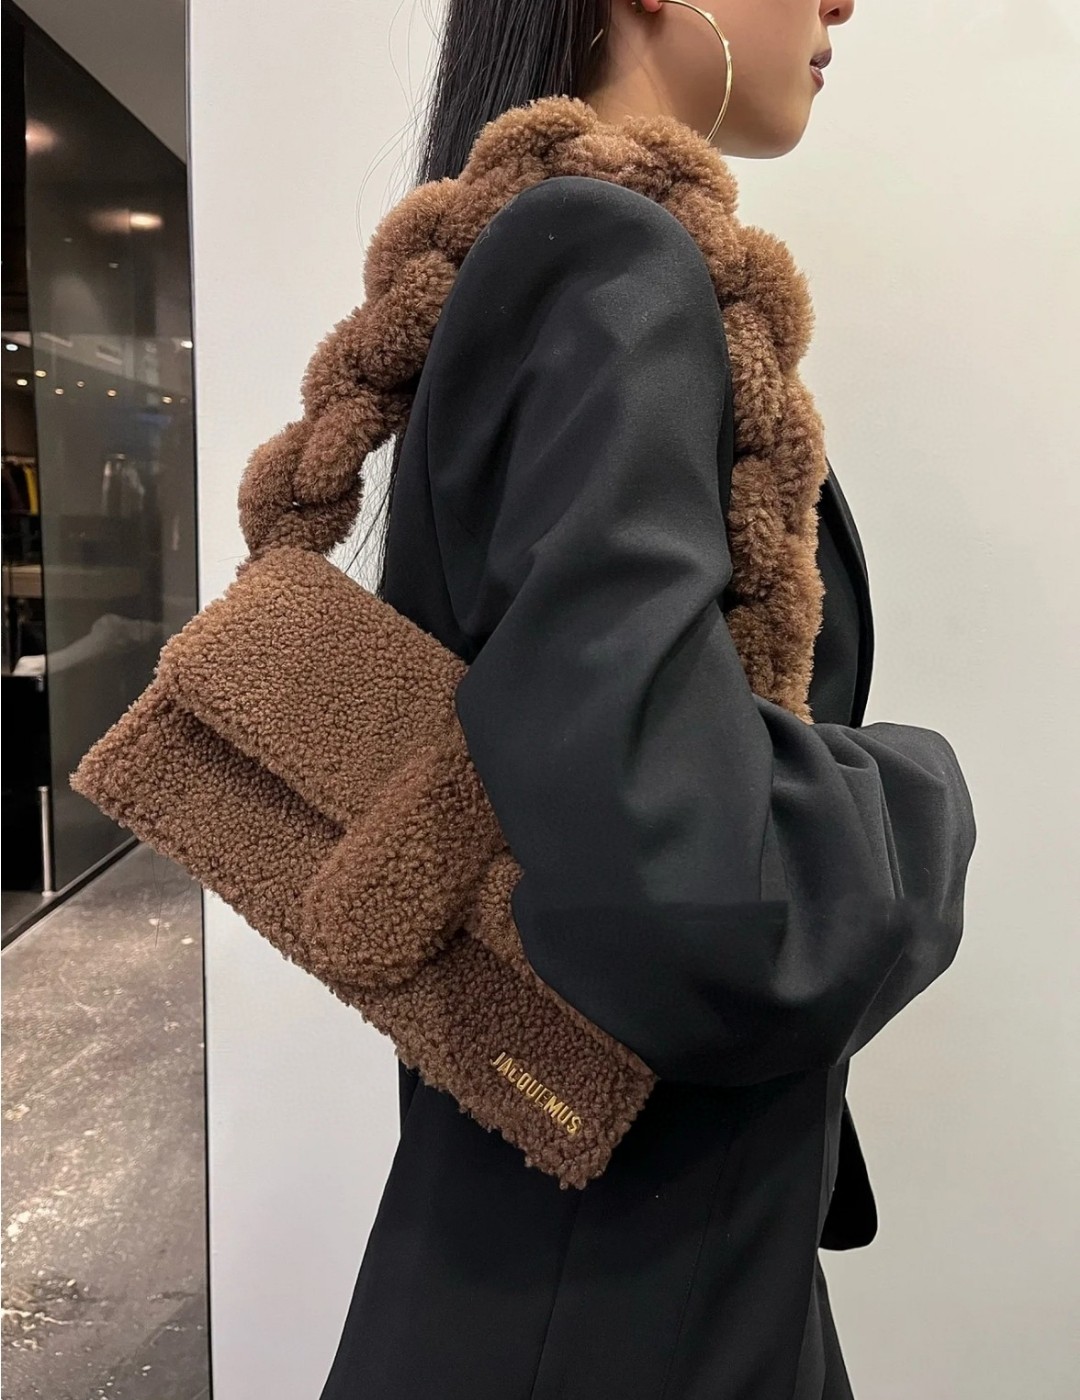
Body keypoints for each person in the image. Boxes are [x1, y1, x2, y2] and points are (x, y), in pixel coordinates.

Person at [317, 2, 977, 1396]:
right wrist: (928, 798)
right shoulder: (608, 257)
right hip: (618, 1306)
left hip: (591, 1257)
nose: (843, 3)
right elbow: (691, 895)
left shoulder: (562, 250)